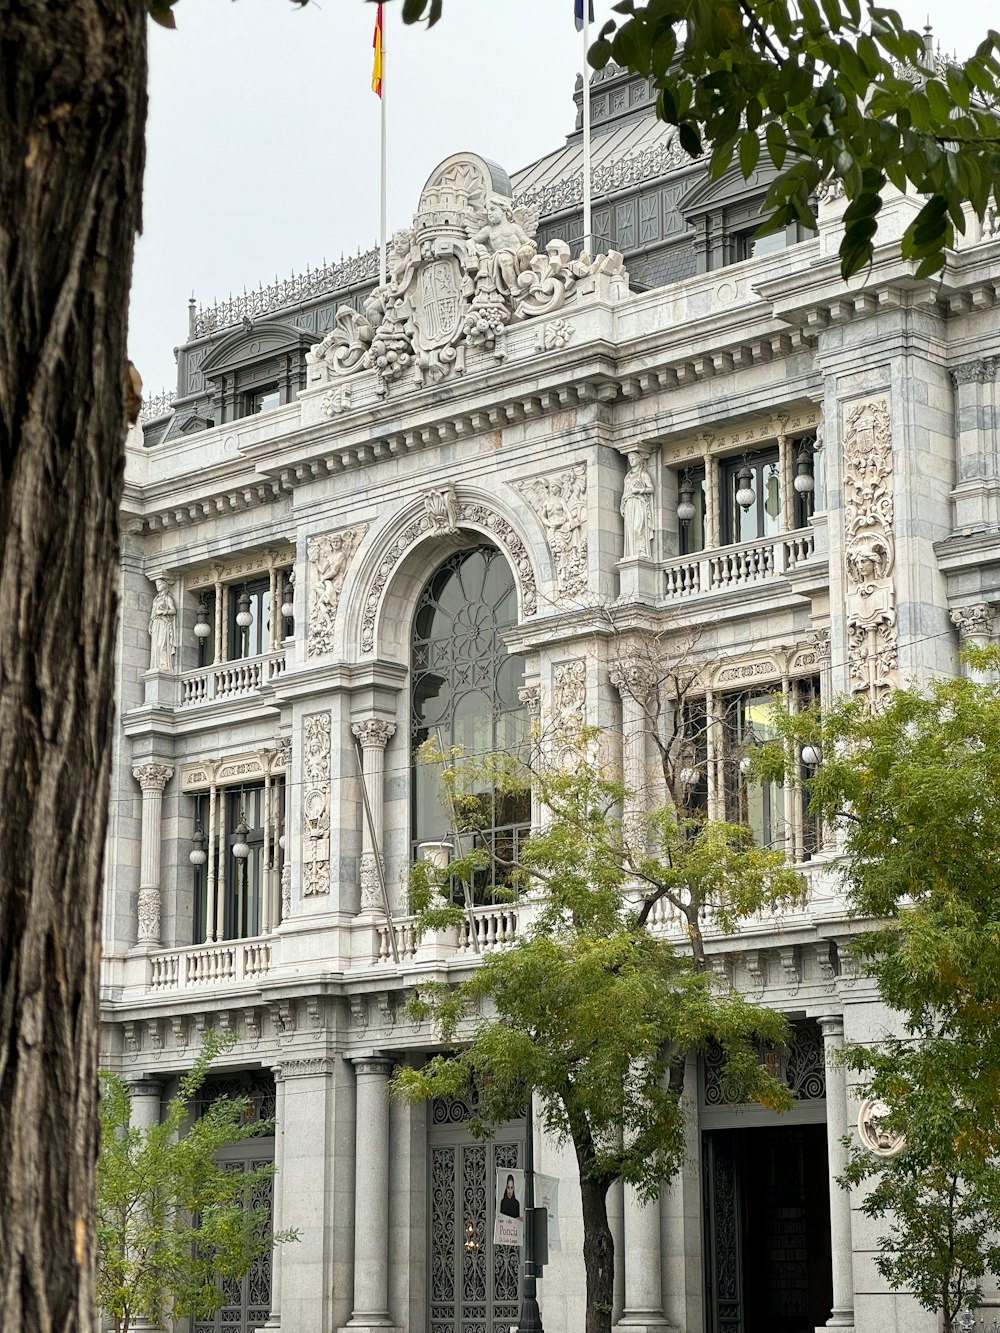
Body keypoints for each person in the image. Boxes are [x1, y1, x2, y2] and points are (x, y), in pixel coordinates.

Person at [148, 577, 176, 672]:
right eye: (156, 585)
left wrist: (163, 611)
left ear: (164, 585)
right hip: (156, 622)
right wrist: (151, 623)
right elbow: (153, 612)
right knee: (155, 646)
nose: (157, 587)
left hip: (163, 622)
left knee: (161, 644)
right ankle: (156, 665)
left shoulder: (167, 598)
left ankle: (164, 665)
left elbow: (173, 610)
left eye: (159, 585)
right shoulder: (156, 599)